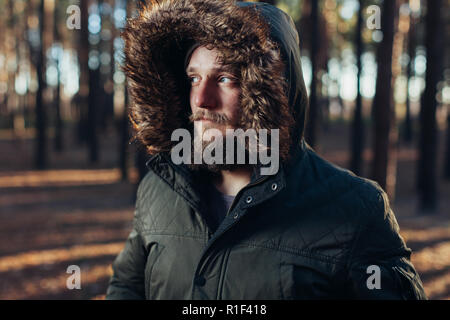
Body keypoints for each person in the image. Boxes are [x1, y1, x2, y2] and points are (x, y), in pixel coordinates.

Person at [106, 0, 426, 300]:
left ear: (275, 90)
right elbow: (127, 285)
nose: (201, 100)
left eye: (226, 78)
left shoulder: (356, 208)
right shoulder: (160, 186)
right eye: (193, 78)